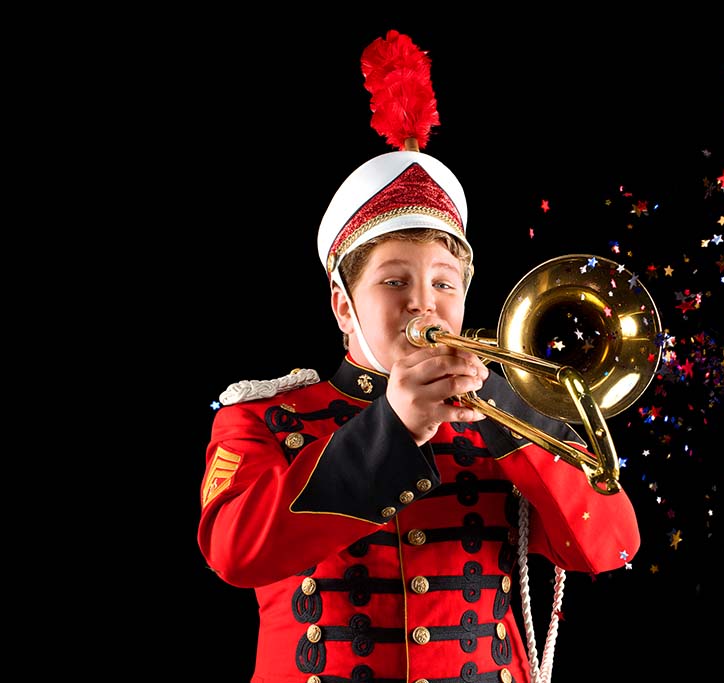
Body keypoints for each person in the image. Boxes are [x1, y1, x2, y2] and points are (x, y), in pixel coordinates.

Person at [198, 30, 641, 683]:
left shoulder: (511, 411)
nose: (422, 305)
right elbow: (235, 551)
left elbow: (610, 544)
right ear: (343, 305)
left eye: (442, 283)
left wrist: (513, 408)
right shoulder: (263, 417)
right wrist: (393, 426)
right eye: (394, 281)